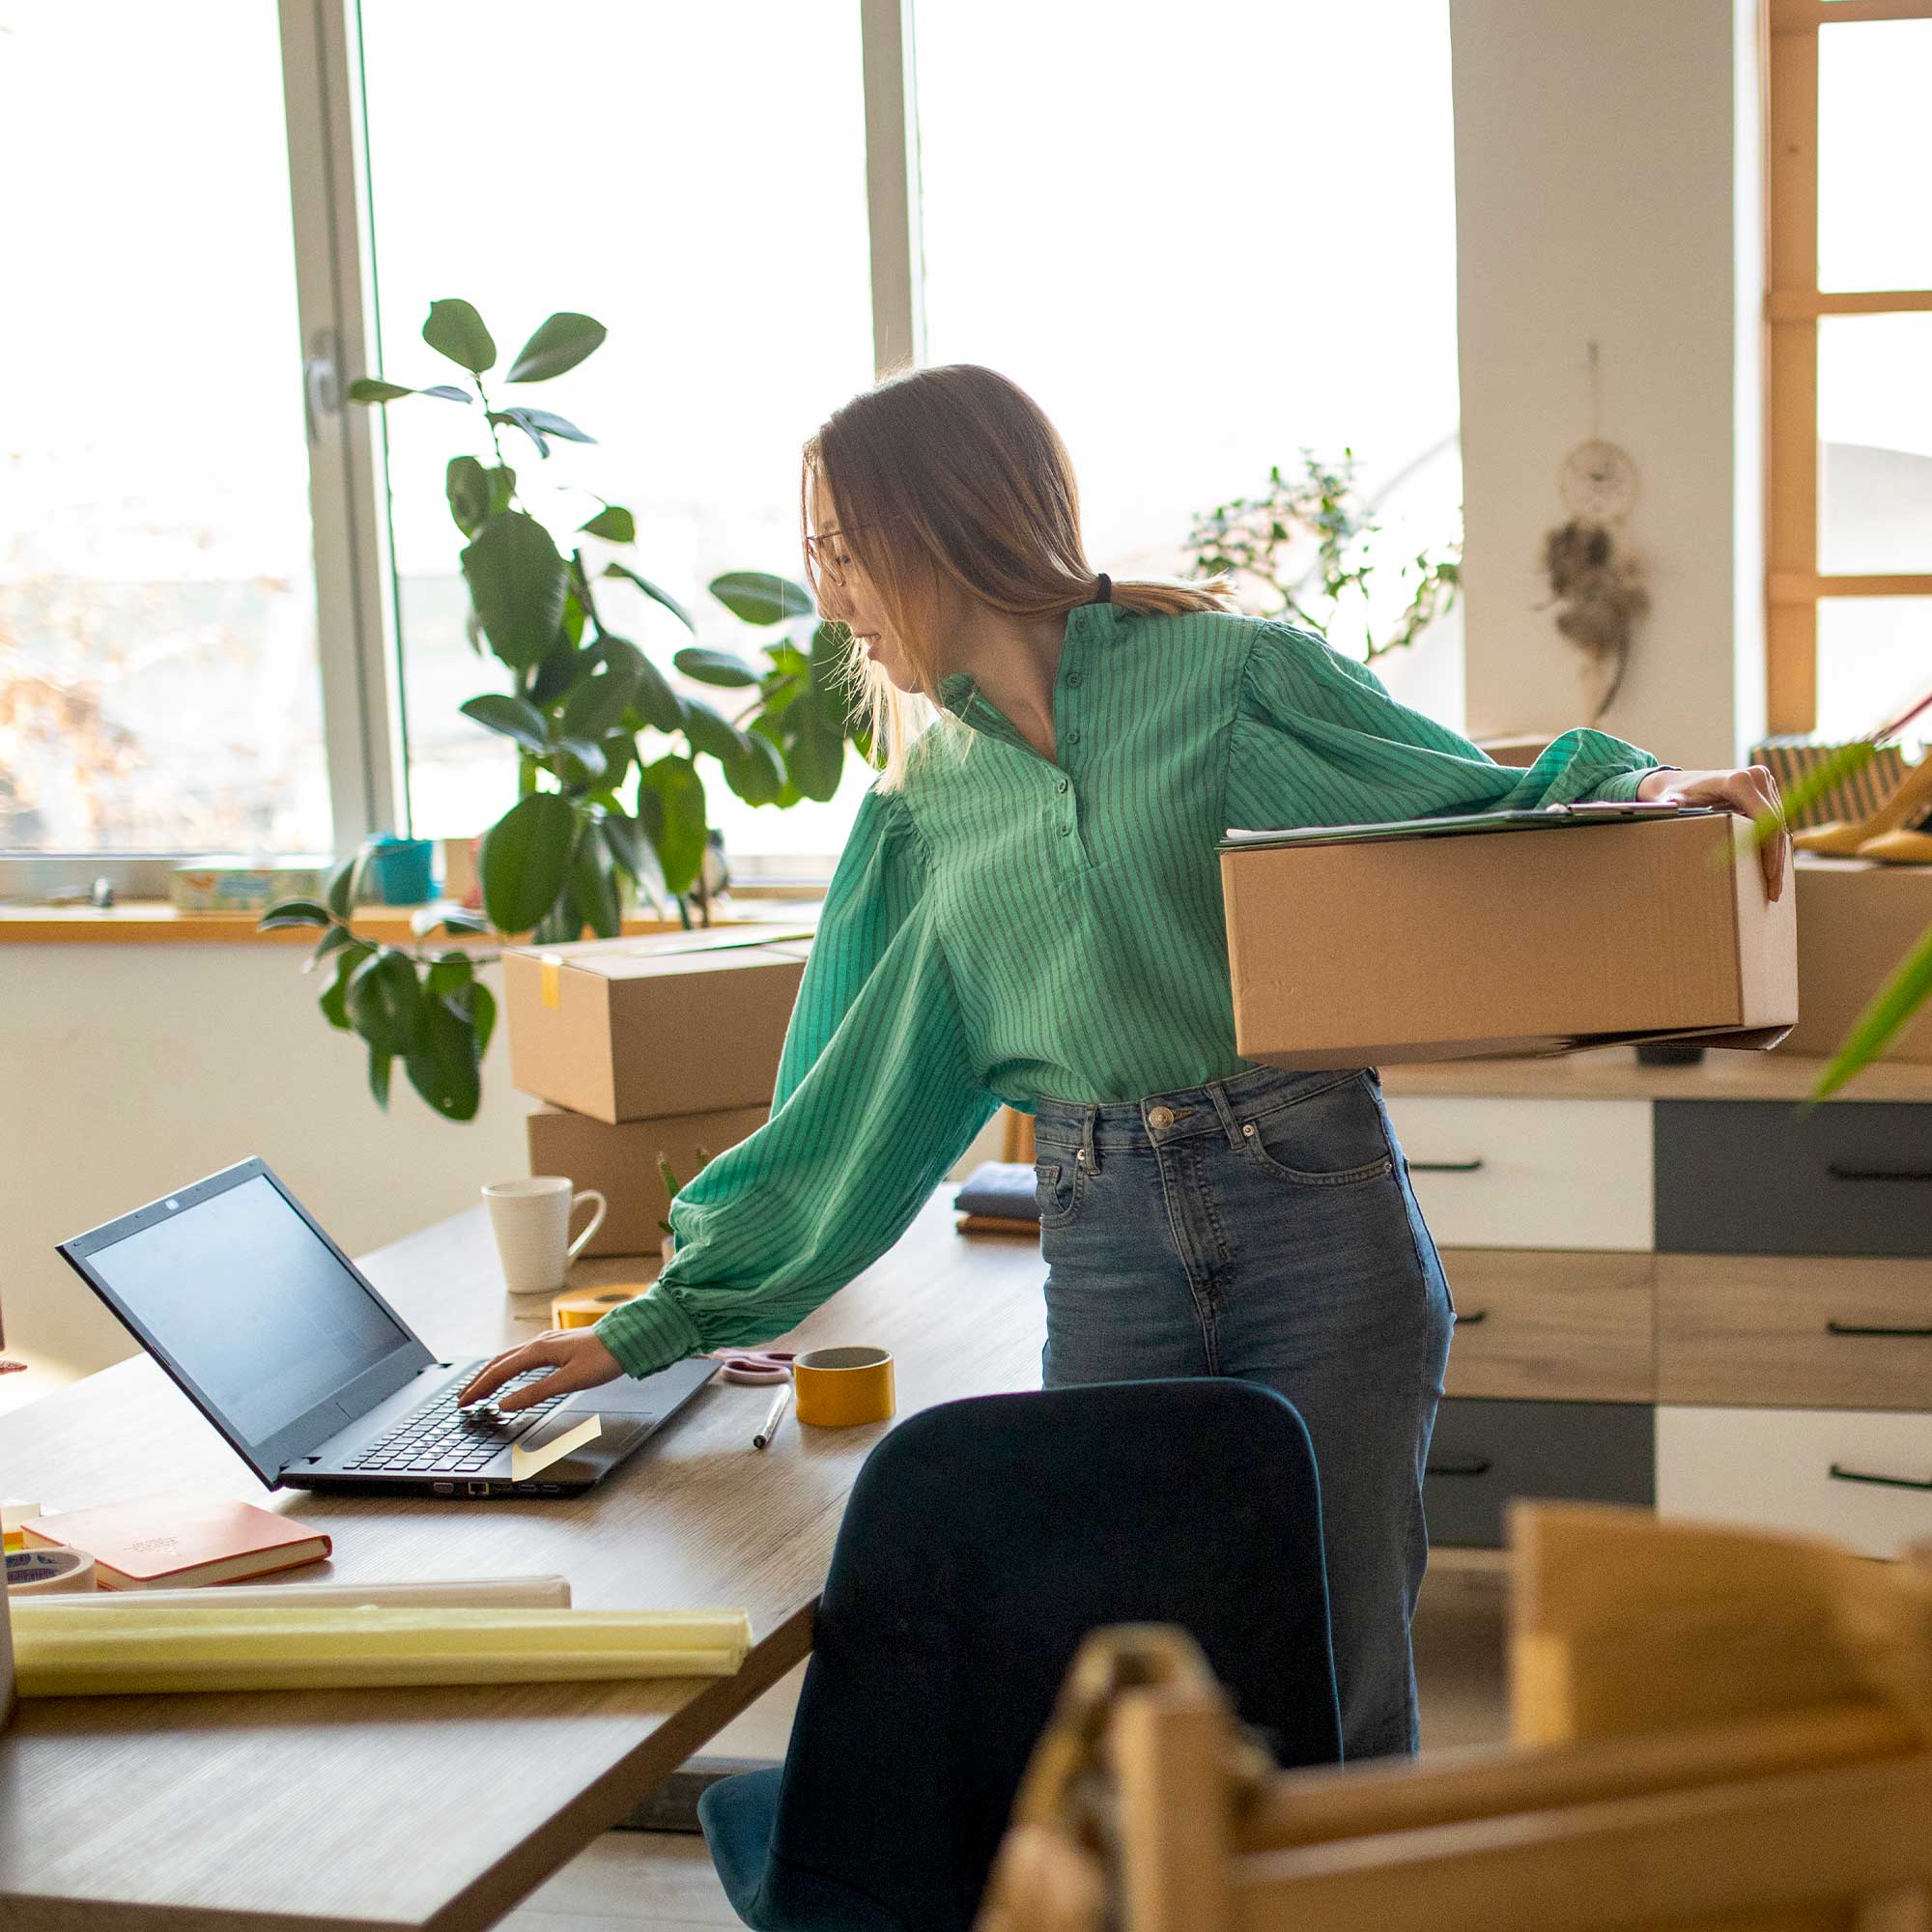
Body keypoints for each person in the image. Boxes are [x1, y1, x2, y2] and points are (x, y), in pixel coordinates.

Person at [459, 363, 1787, 1758]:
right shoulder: (924, 811)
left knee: (1336, 1683)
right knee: (1139, 1705)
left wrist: (1643, 791)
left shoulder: (1224, 681)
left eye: (842, 555)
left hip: (1317, 1215)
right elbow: (852, 1106)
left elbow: (1451, 793)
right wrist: (655, 1321)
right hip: (1105, 1253)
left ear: (939, 525)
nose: (832, 599)